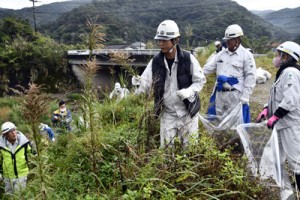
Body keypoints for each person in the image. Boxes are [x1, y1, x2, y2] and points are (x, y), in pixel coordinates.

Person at [132, 19, 206, 148]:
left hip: (188, 112)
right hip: (168, 114)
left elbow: (200, 81)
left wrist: (189, 91)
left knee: (189, 149)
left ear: (175, 40)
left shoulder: (188, 59)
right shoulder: (156, 62)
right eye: (159, 40)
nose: (161, 44)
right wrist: (137, 83)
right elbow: (145, 85)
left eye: (164, 40)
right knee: (166, 150)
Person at [256, 41, 300, 192]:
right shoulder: (283, 71)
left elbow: (290, 100)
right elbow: (276, 96)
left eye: (277, 54)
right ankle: (284, 189)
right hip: (281, 124)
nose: (275, 57)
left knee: (296, 161)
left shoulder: (291, 73)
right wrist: (266, 109)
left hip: (291, 125)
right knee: (274, 156)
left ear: (285, 56)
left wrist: (276, 116)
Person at [203, 24, 256, 123]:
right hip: (220, 93)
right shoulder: (221, 54)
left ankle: (234, 138)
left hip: (235, 94)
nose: (227, 42)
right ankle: (221, 137)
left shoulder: (246, 55)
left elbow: (251, 76)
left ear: (238, 40)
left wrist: (246, 96)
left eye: (230, 39)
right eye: (226, 40)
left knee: (234, 121)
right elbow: (208, 68)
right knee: (219, 119)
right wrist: (195, 73)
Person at [0, 122, 34, 195]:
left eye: (14, 130)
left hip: (22, 175)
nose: (14, 133)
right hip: (7, 177)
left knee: (20, 196)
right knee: (9, 197)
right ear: (5, 135)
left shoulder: (24, 143)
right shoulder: (1, 146)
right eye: (10, 131)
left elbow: (32, 155)